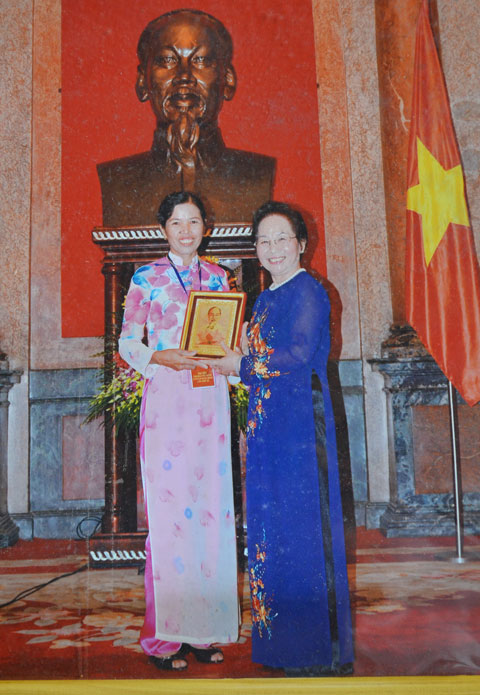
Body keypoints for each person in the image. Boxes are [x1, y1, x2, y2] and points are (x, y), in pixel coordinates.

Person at [207, 201, 353, 672]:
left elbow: (296, 355)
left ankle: (313, 650)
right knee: (272, 528)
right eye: (264, 241)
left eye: (282, 239)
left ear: (301, 244)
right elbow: (260, 357)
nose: (273, 249)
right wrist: (235, 354)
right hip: (268, 428)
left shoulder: (309, 291)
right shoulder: (264, 299)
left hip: (300, 429)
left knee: (302, 530)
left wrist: (243, 365)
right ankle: (281, 645)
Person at [118, 191, 238, 671]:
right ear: (163, 229)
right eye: (176, 222)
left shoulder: (219, 277)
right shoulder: (145, 278)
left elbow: (229, 340)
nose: (186, 230)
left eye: (194, 221)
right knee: (171, 519)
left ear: (205, 227)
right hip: (167, 400)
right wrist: (159, 356)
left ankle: (204, 631)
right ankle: (164, 638)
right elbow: (128, 342)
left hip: (210, 400)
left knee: (211, 512)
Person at [97, 9, 275, 227]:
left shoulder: (256, 174)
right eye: (167, 60)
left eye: (200, 60)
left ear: (228, 80)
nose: (183, 76)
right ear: (142, 82)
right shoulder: (117, 179)